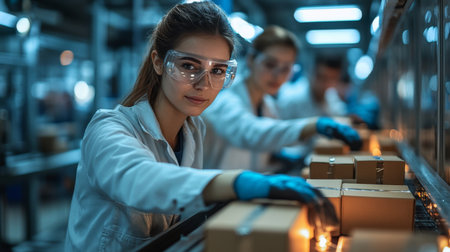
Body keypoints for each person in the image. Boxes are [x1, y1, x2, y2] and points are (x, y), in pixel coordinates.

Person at [65, 2, 337, 251]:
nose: (203, 84)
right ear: (159, 62)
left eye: (218, 70)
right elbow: (140, 179)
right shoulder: (108, 128)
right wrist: (239, 181)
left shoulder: (193, 133)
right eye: (188, 65)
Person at [202, 26, 362, 173]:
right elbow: (251, 133)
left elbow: (267, 145)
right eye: (270, 65)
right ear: (251, 60)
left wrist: (279, 157)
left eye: (285, 69)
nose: (277, 76)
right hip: (216, 199)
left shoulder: (268, 106)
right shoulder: (226, 101)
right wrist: (313, 125)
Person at [276, 54, 347, 119]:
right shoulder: (290, 97)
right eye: (323, 78)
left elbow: (340, 114)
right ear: (312, 73)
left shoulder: (331, 95)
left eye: (333, 79)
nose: (327, 84)